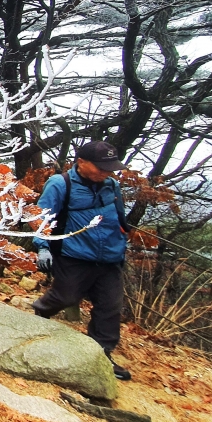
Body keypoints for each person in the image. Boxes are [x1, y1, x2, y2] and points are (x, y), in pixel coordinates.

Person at [32, 141, 132, 381]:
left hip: (109, 257)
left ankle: (100, 356)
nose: (106, 172)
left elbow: (119, 217)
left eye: (109, 168)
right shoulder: (60, 184)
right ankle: (39, 313)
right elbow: (40, 218)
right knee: (66, 297)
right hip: (74, 255)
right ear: (81, 162)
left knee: (110, 307)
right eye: (100, 167)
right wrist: (43, 247)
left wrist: (122, 241)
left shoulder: (112, 185)